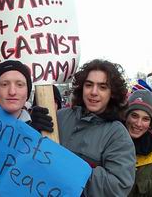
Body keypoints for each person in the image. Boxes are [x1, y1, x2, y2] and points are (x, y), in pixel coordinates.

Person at [38, 59, 136, 196]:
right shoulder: (59, 117)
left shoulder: (117, 134)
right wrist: (32, 129)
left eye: (102, 87)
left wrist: (70, 168)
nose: (94, 92)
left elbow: (117, 186)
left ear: (112, 93)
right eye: (89, 85)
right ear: (81, 87)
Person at [124, 90, 152, 197]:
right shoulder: (108, 144)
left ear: (150, 124)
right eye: (134, 116)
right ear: (126, 116)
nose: (138, 124)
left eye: (145, 119)